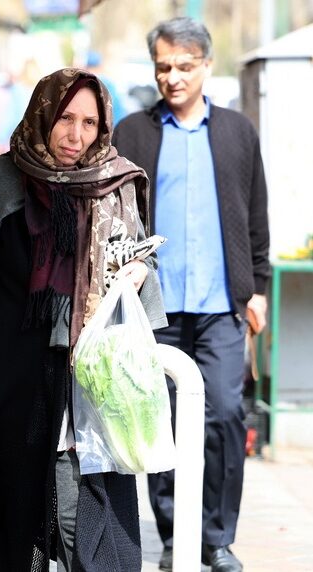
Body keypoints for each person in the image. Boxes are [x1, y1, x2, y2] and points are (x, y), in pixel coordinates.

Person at [0, 68, 167, 571]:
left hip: (89, 387)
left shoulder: (114, 182)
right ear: (42, 115)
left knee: (87, 522)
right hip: (10, 383)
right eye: (65, 119)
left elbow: (141, 256)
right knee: (18, 525)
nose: (76, 135)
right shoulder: (2, 181)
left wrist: (139, 268)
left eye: (90, 123)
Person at [113, 18, 269, 572]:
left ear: (205, 66)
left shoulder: (236, 132)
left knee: (226, 413)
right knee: (161, 420)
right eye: (163, 67)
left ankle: (217, 538)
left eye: (183, 66)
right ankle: (175, 534)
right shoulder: (131, 133)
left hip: (222, 302)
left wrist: (260, 287)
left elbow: (255, 214)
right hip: (156, 307)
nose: (172, 77)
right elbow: (114, 217)